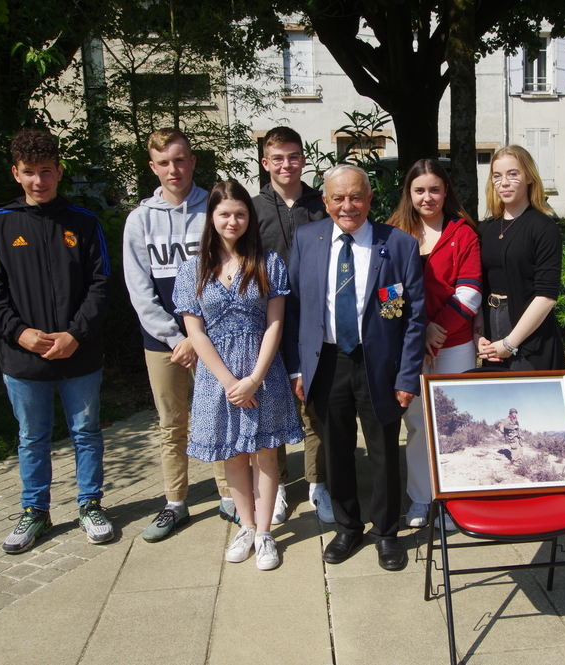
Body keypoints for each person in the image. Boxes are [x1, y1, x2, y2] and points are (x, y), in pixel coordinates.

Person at [0, 128, 113, 553]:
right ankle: (35, 511)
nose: (39, 181)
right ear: (16, 174)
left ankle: (90, 504)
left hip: (79, 354)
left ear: (59, 171)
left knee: (86, 432)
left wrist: (75, 334)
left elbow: (102, 284)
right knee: (32, 437)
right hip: (23, 359)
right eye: (30, 172)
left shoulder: (84, 221)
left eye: (47, 171)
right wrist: (19, 333)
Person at [283, 164, 425, 571]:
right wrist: (296, 369)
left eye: (356, 196)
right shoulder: (307, 239)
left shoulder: (397, 245)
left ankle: (385, 532)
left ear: (369, 198)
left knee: (383, 450)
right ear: (325, 202)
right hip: (326, 362)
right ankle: (347, 527)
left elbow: (411, 316)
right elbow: (292, 308)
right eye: (338, 198)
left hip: (378, 363)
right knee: (337, 449)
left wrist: (406, 375)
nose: (348, 206)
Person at [173, 181, 303, 570]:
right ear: (211, 218)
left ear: (251, 217)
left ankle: (264, 533)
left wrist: (254, 379)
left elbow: (275, 324)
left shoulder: (268, 263)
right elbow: (195, 332)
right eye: (225, 214)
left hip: (263, 371)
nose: (233, 221)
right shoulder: (192, 269)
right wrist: (231, 382)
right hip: (218, 377)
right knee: (233, 454)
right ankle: (244, 526)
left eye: (240, 214)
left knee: (265, 454)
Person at [123, 128, 232, 543]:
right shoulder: (140, 220)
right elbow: (139, 288)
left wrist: (200, 333)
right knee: (173, 423)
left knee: (220, 415)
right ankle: (175, 502)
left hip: (214, 336)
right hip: (164, 343)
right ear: (153, 167)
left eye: (181, 160)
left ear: (193, 161)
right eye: (164, 162)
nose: (174, 169)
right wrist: (175, 338)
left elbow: (227, 270)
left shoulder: (214, 209)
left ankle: (229, 494)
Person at [388, 158, 480, 530]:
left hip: (455, 345)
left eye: (435, 189)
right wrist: (420, 329)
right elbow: (385, 294)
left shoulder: (464, 233)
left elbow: (470, 293)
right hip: (411, 347)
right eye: (420, 190)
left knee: (453, 425)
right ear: (409, 194)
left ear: (446, 191)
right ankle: (421, 499)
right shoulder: (393, 233)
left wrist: (436, 329)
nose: (428, 197)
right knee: (418, 425)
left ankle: (454, 501)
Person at [252, 126, 333, 524]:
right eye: (278, 158)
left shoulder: (323, 205)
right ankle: (277, 485)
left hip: (316, 319)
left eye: (294, 156)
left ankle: (319, 483)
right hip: (266, 322)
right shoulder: (252, 209)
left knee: (315, 403)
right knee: (271, 405)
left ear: (304, 158)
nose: (287, 164)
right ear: (265, 163)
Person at [474, 146, 565, 370]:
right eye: (497, 176)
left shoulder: (544, 228)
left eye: (513, 174)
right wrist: (478, 334)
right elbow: (479, 285)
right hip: (491, 334)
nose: (504, 182)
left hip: (531, 338)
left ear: (529, 178)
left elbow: (546, 295)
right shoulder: (485, 228)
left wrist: (510, 343)